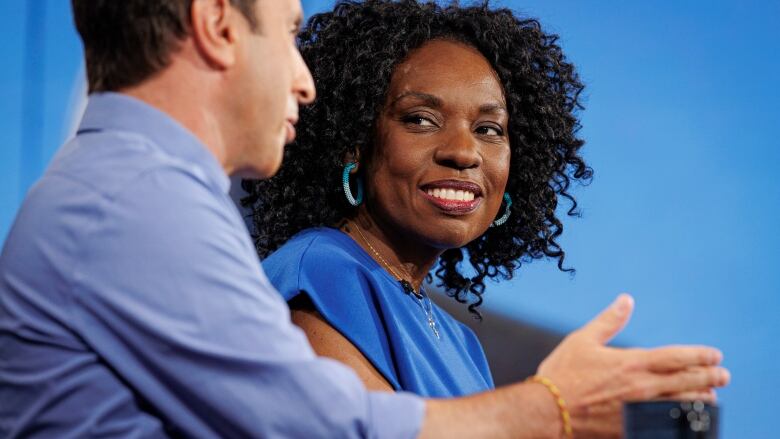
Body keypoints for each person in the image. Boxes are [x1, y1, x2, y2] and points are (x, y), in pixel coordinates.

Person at [0, 0, 727, 438]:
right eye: (288, 31)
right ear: (218, 24)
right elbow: (324, 429)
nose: (304, 79)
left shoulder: (145, 195)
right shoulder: (137, 202)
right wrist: (552, 405)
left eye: (491, 130)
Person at [244, 0, 730, 430]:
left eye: (489, 129)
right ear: (354, 143)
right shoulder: (322, 275)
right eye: (420, 119)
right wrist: (551, 409)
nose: (464, 152)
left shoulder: (460, 342)